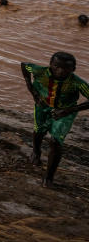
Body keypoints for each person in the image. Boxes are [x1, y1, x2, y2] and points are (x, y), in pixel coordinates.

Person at [20, 53, 89, 187]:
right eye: (56, 66)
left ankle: (49, 177)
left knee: (55, 141)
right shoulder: (40, 71)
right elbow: (24, 66)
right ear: (51, 64)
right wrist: (32, 91)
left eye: (66, 68)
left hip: (65, 112)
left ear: (73, 69)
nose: (60, 71)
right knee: (38, 130)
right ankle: (36, 151)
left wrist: (68, 111)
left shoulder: (76, 83)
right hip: (43, 106)